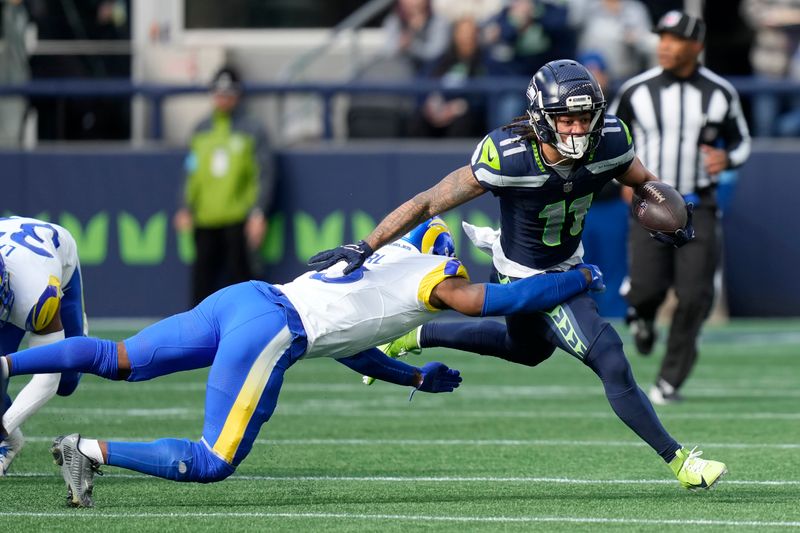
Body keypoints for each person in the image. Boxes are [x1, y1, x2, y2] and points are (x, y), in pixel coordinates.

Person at [308, 59, 726, 491]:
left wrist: (669, 216)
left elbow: (643, 182)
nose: (578, 130)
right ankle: (679, 461)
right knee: (609, 353)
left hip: (563, 260)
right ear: (542, 119)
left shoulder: (610, 141)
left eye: (585, 118)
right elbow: (428, 202)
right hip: (523, 272)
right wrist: (367, 245)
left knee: (525, 350)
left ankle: (412, 337)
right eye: (567, 119)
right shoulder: (508, 156)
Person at [0, 218, 603, 507]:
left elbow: (352, 345)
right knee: (213, 461)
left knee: (115, 356)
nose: (458, 274)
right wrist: (573, 280)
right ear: (440, 256)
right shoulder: (433, 276)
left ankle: (5, 364)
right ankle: (90, 451)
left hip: (246, 298)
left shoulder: (378, 266)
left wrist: (415, 375)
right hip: (273, 329)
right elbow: (496, 301)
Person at [608, 11, 751, 405]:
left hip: (698, 203)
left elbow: (741, 141)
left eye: (675, 39)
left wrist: (728, 159)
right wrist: (621, 179)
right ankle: (643, 317)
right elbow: (608, 142)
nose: (665, 46)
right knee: (646, 290)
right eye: (662, 38)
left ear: (696, 46)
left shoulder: (720, 92)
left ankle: (671, 378)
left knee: (694, 295)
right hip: (649, 202)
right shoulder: (637, 90)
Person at [173, 65, 274, 307]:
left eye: (228, 93)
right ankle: (197, 336)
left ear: (238, 95)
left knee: (242, 282)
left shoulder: (252, 129)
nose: (223, 99)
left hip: (237, 219)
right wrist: (185, 205)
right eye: (219, 93)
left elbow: (264, 173)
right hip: (205, 219)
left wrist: (258, 212)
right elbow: (192, 171)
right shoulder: (201, 129)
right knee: (202, 283)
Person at [0, 216, 88, 475]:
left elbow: (48, 377)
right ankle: (10, 443)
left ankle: (77, 333)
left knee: (66, 381)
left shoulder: (36, 293)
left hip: (56, 257)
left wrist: (3, 425)